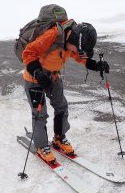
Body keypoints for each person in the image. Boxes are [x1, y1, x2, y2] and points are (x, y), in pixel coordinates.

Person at [22, 20, 109, 163]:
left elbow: (78, 56)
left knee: (61, 106)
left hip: (53, 76)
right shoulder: (52, 35)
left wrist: (95, 65)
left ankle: (59, 137)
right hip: (34, 77)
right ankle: (41, 146)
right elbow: (29, 52)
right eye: (76, 49)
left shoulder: (72, 41)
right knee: (40, 113)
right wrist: (37, 73)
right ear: (72, 39)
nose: (75, 53)